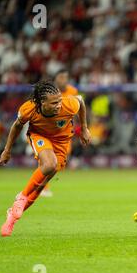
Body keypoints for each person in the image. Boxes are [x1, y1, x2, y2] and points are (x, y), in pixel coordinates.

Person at [0, 80, 91, 237]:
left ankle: (12, 217)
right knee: (49, 164)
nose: (59, 105)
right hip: (39, 136)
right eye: (54, 103)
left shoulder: (68, 104)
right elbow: (17, 126)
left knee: (40, 186)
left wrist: (85, 129)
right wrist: (7, 150)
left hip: (62, 142)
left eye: (59, 101)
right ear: (41, 102)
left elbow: (80, 101)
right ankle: (22, 196)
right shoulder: (29, 109)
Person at [37, 69, 79, 197]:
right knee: (47, 159)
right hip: (47, 130)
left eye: (66, 77)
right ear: (55, 79)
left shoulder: (73, 91)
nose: (64, 80)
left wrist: (78, 126)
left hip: (64, 131)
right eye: (61, 77)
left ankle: (40, 185)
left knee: (60, 162)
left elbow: (76, 108)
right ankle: (41, 188)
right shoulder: (48, 93)